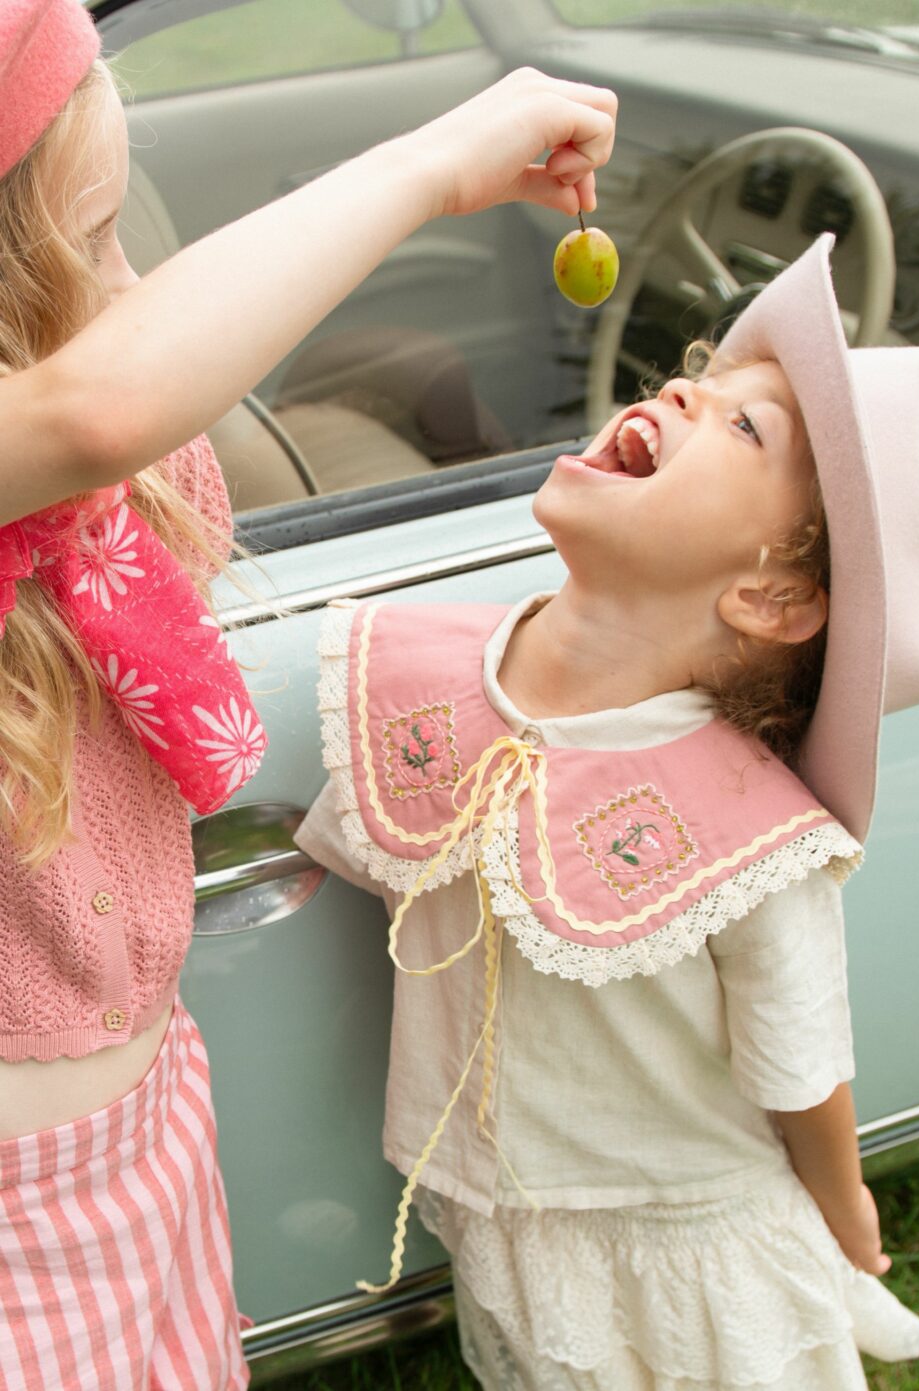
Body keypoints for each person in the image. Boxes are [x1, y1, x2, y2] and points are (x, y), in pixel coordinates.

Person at [0, 0, 616, 1380]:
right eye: (95, 242)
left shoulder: (103, 505)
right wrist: (434, 164)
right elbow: (95, 405)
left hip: (146, 1126)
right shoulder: (79, 427)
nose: (131, 285)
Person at [292, 236, 919, 1390]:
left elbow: (802, 1069)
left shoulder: (744, 834)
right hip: (510, 1212)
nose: (682, 388)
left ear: (771, 594)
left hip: (690, 1237)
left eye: (743, 426)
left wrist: (845, 1211)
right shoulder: (428, 678)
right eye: (701, 378)